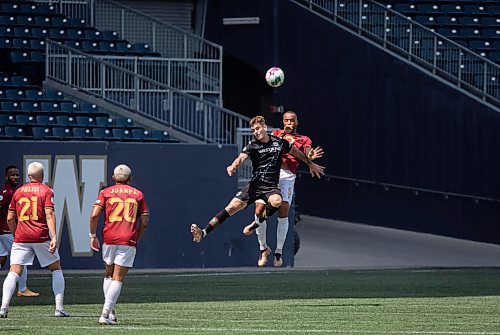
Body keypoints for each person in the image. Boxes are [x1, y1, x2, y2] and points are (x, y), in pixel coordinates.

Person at [190, 115, 325, 267]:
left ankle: (259, 227)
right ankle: (203, 232)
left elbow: (296, 152)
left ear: (265, 128)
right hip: (254, 186)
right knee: (232, 207)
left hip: (270, 187)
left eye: (258, 128)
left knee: (277, 201)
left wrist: (309, 162)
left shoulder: (279, 142)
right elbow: (241, 158)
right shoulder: (252, 145)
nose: (255, 132)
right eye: (253, 130)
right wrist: (233, 166)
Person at [252, 111, 324, 267]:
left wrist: (310, 157)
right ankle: (263, 248)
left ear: (296, 122)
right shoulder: (277, 133)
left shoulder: (304, 139)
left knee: (283, 209)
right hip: (271, 172)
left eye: (292, 120)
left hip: (288, 175)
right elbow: (269, 143)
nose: (289, 123)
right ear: (283, 122)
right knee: (259, 209)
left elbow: (307, 151)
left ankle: (278, 252)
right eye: (286, 120)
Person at [0, 162, 69, 318]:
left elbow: (10, 218)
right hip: (41, 236)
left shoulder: (18, 192)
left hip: (21, 237)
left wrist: (16, 233)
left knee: (13, 271)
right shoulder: (46, 191)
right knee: (56, 269)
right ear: (42, 176)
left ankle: (3, 307)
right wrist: (54, 236)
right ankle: (59, 307)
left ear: (28, 175)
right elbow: (50, 214)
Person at [89, 164, 149, 325]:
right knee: (118, 278)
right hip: (127, 238)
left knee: (108, 275)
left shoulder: (105, 192)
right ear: (130, 178)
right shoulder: (138, 194)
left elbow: (94, 215)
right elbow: (144, 222)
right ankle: (105, 313)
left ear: (114, 178)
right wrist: (137, 237)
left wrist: (92, 235)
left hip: (109, 237)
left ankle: (111, 312)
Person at [0, 165, 39, 297]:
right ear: (7, 177)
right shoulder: (8, 193)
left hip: (3, 231)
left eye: (17, 174)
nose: (15, 177)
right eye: (12, 175)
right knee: (22, 259)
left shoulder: (10, 191)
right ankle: (22, 289)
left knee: (2, 258)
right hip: (6, 231)